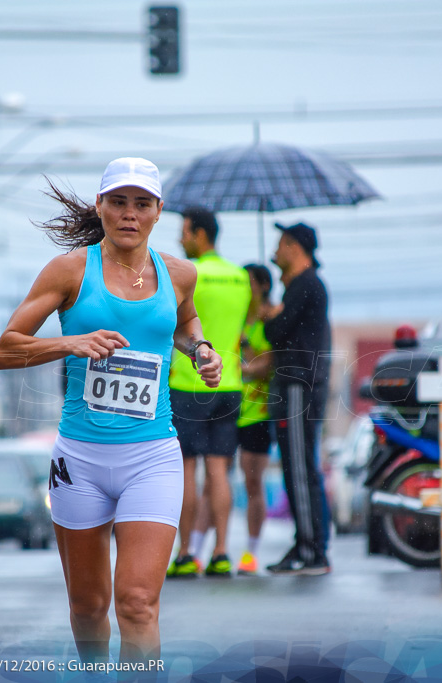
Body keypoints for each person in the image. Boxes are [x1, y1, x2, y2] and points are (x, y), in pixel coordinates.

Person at [0, 158, 222, 665]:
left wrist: (202, 350)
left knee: (138, 605)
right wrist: (71, 342)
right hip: (80, 459)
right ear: (100, 206)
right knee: (88, 607)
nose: (129, 214)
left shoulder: (180, 273)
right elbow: (5, 349)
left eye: (142, 204)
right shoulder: (70, 270)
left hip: (153, 456)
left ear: (159, 212)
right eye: (118, 201)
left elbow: (183, 323)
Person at [165, 207, 251, 579]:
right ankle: (220, 552)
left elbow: (176, 324)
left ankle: (186, 555)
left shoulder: (188, 274)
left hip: (189, 382)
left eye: (184, 232)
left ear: (200, 234)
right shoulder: (241, 277)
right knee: (219, 471)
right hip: (230, 383)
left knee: (186, 472)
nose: (179, 239)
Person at [263, 222, 331, 576]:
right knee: (299, 466)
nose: (275, 251)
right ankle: (308, 542)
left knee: (300, 468)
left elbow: (276, 331)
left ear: (294, 246)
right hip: (299, 384)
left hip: (298, 385)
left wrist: (270, 313)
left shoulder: (305, 285)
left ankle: (312, 549)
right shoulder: (303, 286)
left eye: (280, 243)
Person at [235, 263, 275, 576]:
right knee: (212, 479)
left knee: (252, 483)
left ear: (262, 285)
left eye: (248, 282)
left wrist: (242, 364)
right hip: (228, 408)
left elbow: (265, 366)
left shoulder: (270, 319)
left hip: (257, 412)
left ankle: (251, 551)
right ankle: (197, 547)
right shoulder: (236, 317)